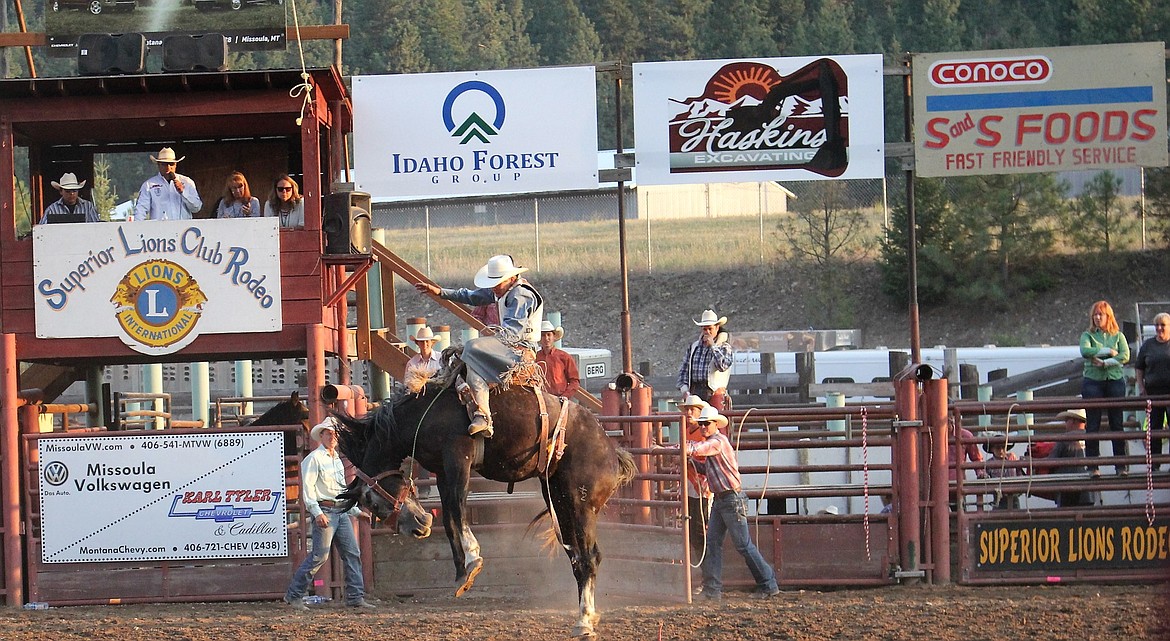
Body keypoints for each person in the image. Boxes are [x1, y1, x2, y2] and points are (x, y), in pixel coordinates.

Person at [414, 254, 543, 438]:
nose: (493, 287)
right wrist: (441, 292)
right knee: (474, 365)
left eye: (497, 282)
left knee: (472, 348)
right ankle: (483, 416)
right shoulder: (504, 290)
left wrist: (488, 344)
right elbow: (472, 296)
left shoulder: (521, 295)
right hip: (508, 345)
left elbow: (514, 331)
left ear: (511, 278)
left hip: (520, 350)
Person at [672, 405, 779, 600]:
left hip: (730, 499)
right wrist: (691, 462)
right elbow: (705, 467)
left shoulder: (717, 442)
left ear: (715, 425)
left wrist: (673, 449)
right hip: (724, 500)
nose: (703, 427)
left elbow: (695, 449)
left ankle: (768, 584)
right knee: (714, 544)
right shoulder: (715, 444)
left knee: (742, 545)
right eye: (701, 424)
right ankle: (713, 590)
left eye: (706, 424)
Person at [284, 417, 376, 610]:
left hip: (338, 510)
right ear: (322, 436)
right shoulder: (314, 459)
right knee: (320, 556)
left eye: (334, 434)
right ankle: (294, 595)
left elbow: (339, 491)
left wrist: (355, 511)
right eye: (329, 433)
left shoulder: (336, 460)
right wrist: (317, 513)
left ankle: (355, 596)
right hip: (325, 509)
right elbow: (308, 490)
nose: (332, 437)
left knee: (350, 553)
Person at [1079, 300, 1130, 477]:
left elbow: (1125, 355)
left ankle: (1121, 465)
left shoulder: (1119, 336)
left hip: (1114, 380)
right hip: (1093, 381)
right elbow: (1085, 351)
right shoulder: (1087, 335)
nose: (1098, 317)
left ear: (1108, 316)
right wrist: (1108, 351)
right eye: (1095, 314)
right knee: (1093, 423)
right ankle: (1093, 466)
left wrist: (1105, 362)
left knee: (1117, 423)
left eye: (1101, 314)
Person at [677, 394, 713, 561]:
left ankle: (707, 571)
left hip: (703, 487)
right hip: (692, 485)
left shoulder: (702, 433)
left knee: (700, 530)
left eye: (692, 410)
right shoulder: (687, 430)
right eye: (687, 409)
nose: (688, 413)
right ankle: (705, 571)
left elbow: (695, 450)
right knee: (694, 530)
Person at [677, 309, 733, 411]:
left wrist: (713, 347)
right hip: (695, 391)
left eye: (710, 329)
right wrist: (684, 390)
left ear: (717, 328)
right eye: (704, 329)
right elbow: (683, 371)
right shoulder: (694, 347)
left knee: (716, 424)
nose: (707, 332)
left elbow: (723, 366)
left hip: (715, 393)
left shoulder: (725, 347)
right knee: (693, 423)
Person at [1135, 312, 1170, 471]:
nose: (1159, 328)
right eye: (1157, 325)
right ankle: (1155, 464)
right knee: (1154, 428)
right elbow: (1139, 368)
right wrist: (1141, 387)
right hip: (1153, 392)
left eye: (1163, 325)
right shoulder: (1148, 345)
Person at [1047, 409, 1099, 507]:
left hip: (1067, 488)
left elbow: (1051, 461)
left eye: (1067, 420)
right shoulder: (1092, 437)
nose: (1065, 423)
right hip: (1089, 488)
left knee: (1067, 518)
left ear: (1073, 421)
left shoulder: (1065, 438)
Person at [134, 147, 202, 221]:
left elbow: (196, 207)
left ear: (175, 165)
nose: (168, 167)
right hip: (159, 230)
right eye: (164, 164)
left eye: (171, 164)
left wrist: (183, 192)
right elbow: (140, 211)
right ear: (158, 165)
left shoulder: (187, 182)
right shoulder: (148, 185)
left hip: (183, 230)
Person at [535, 320, 580, 401]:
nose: (546, 338)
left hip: (560, 399)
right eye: (543, 335)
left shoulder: (564, 357)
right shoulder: (534, 357)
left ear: (554, 337)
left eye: (549, 335)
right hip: (541, 399)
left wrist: (565, 395)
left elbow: (574, 381)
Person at [982, 434, 1021, 510]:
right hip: (998, 495)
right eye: (997, 448)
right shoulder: (988, 463)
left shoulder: (1012, 457)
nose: (1001, 450)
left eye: (1003, 447)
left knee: (1016, 516)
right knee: (998, 517)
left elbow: (1019, 472)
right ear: (992, 449)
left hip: (1014, 494)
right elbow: (984, 476)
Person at [403, 326, 443, 394]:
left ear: (432, 342)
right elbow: (407, 386)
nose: (424, 344)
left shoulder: (441, 359)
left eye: (427, 341)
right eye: (421, 342)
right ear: (417, 343)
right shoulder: (412, 364)